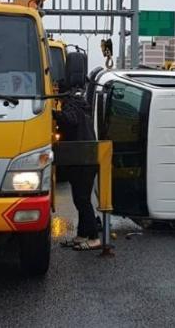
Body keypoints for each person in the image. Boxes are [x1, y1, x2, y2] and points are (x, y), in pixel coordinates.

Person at [54, 93, 102, 251]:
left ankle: (94, 238)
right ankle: (82, 235)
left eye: (60, 101)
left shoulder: (73, 109)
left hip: (83, 162)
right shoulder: (83, 110)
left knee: (82, 200)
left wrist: (53, 113)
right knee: (81, 199)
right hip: (84, 161)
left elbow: (70, 119)